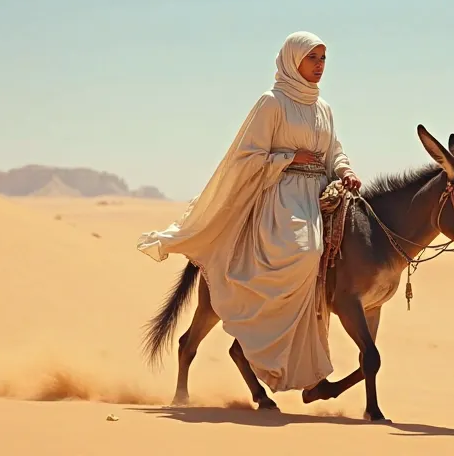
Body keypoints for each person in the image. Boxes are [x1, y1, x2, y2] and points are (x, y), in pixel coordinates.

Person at [135, 30, 361, 394]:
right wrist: (288, 158)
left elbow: (335, 151)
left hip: (319, 194)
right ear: (292, 60)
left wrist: (346, 170)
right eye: (312, 58)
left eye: (323, 59)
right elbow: (247, 156)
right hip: (280, 198)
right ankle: (260, 334)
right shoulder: (272, 103)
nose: (319, 66)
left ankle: (308, 368)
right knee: (305, 253)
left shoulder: (324, 109)